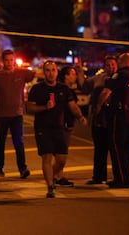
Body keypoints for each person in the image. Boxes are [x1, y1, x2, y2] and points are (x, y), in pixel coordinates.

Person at [26, 61, 87, 198]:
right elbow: (29, 108)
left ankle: (52, 176)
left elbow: (72, 105)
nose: (51, 73)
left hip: (59, 128)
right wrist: (44, 107)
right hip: (43, 128)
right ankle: (50, 187)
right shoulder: (37, 89)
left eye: (53, 70)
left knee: (61, 159)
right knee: (47, 157)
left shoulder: (64, 89)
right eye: (47, 70)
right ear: (44, 72)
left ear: (57, 72)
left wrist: (80, 116)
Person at [0, 49, 38, 178]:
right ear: (2, 61)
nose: (9, 63)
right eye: (7, 60)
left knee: (19, 142)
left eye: (11, 60)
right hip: (1, 115)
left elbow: (37, 74)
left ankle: (22, 169)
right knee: (0, 142)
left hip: (17, 114)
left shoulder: (22, 73)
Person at [96, 52, 129, 189]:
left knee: (116, 147)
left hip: (118, 116)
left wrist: (98, 106)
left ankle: (121, 179)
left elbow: (106, 92)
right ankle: (126, 177)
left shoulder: (120, 75)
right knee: (127, 149)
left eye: (119, 60)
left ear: (123, 61)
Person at [77, 55, 118, 185]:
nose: (110, 67)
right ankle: (99, 176)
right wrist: (79, 72)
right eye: (108, 65)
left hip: (114, 118)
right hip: (98, 118)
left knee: (115, 150)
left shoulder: (120, 78)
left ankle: (119, 177)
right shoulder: (99, 78)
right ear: (104, 66)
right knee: (99, 148)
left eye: (113, 64)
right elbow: (84, 86)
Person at [55, 66, 79, 187]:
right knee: (61, 153)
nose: (75, 76)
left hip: (65, 124)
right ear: (66, 76)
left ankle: (58, 175)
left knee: (61, 152)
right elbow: (71, 107)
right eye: (73, 74)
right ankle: (55, 176)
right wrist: (80, 117)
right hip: (63, 124)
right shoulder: (64, 90)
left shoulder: (67, 89)